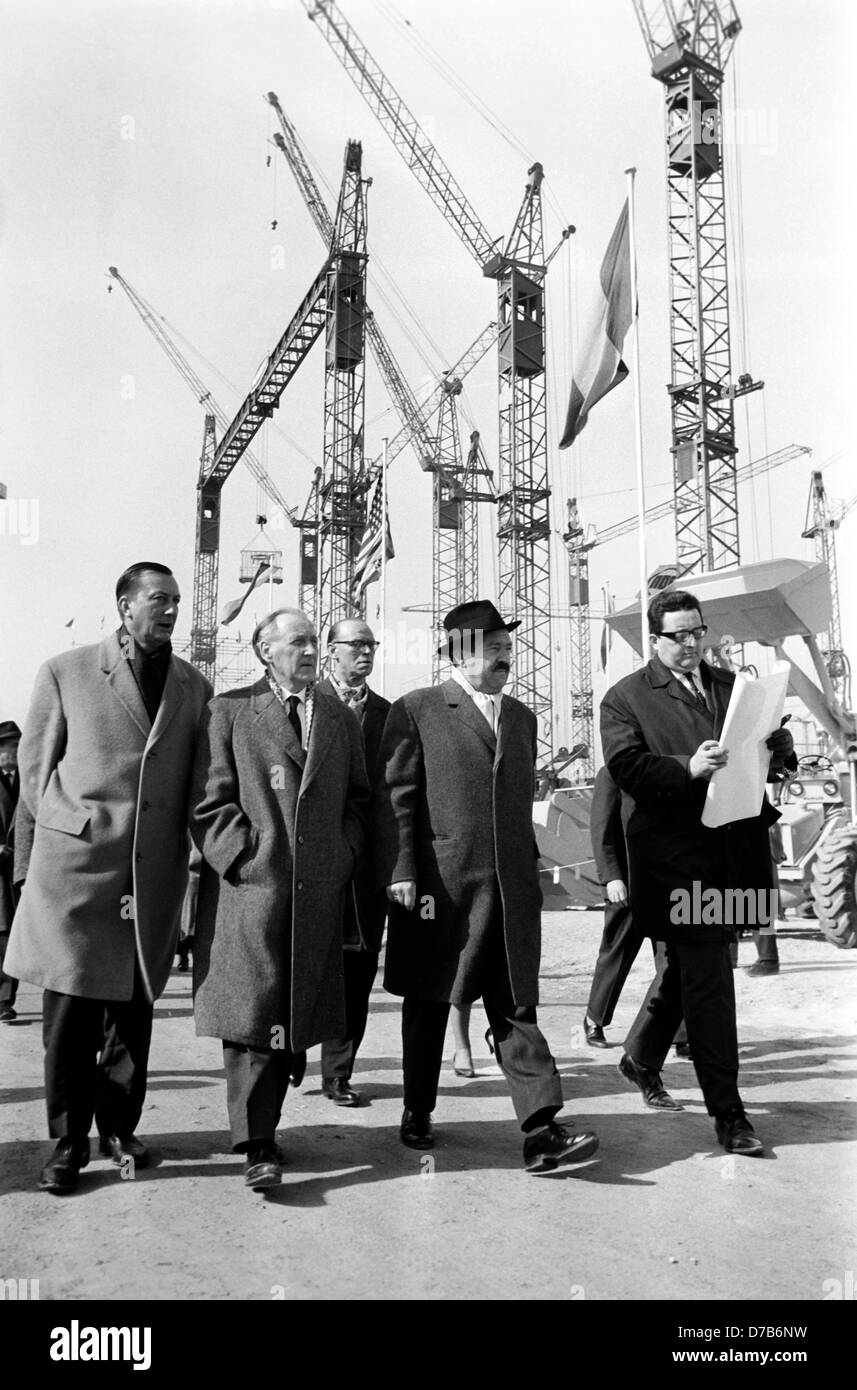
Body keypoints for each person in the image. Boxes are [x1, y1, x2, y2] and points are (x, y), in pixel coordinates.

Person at [6, 564, 212, 1192]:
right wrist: (74, 824)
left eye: (176, 600)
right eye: (158, 599)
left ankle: (120, 1129)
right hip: (79, 871)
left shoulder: (193, 685)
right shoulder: (66, 671)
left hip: (150, 878)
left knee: (132, 1010)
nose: (171, 609)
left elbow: (199, 781)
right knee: (68, 1014)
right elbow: (35, 766)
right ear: (125, 605)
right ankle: (67, 1142)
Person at [374, 599, 598, 1174]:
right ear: (457, 650)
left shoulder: (521, 718)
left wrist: (529, 874)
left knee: (515, 1005)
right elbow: (395, 799)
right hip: (440, 888)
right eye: (492, 648)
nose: (505, 657)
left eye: (506, 647)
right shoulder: (417, 709)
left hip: (510, 890)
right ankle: (417, 1110)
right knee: (430, 1000)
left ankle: (542, 1129)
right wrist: (401, 870)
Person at [600, 589, 794, 1157]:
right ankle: (730, 1115)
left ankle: (639, 1056)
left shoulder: (735, 689)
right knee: (711, 979)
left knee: (694, 969)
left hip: (739, 855)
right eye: (677, 636)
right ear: (653, 639)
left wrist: (778, 749)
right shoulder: (625, 699)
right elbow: (627, 767)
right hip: (678, 865)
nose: (690, 645)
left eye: (696, 632)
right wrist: (687, 767)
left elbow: (762, 755)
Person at [190, 608, 369, 1190]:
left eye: (315, 640)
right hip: (251, 893)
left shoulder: (338, 717)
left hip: (316, 893)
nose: (312, 649)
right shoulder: (230, 711)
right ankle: (258, 1145)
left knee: (293, 1013)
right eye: (298, 641)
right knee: (251, 1014)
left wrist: (342, 851)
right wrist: (245, 858)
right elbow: (208, 802)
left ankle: (267, 1124)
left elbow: (358, 801)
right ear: (265, 651)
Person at [315, 617, 390, 1106]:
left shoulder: (388, 714)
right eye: (354, 645)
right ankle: (289, 1052)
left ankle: (338, 1072)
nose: (364, 653)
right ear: (332, 651)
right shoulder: (307, 703)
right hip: (311, 861)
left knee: (357, 969)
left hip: (364, 865)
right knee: (303, 961)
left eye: (371, 645)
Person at [583, 765, 689, 1058]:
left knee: (671, 961)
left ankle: (678, 1034)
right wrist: (611, 876)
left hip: (665, 882)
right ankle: (595, 1019)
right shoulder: (612, 773)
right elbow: (601, 829)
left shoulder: (665, 770)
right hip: (627, 883)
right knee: (617, 953)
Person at [0, 720, 22, 1023]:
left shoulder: (28, 780)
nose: (15, 752)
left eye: (18, 746)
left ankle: (5, 1000)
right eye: (10, 747)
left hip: (17, 870)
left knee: (12, 935)